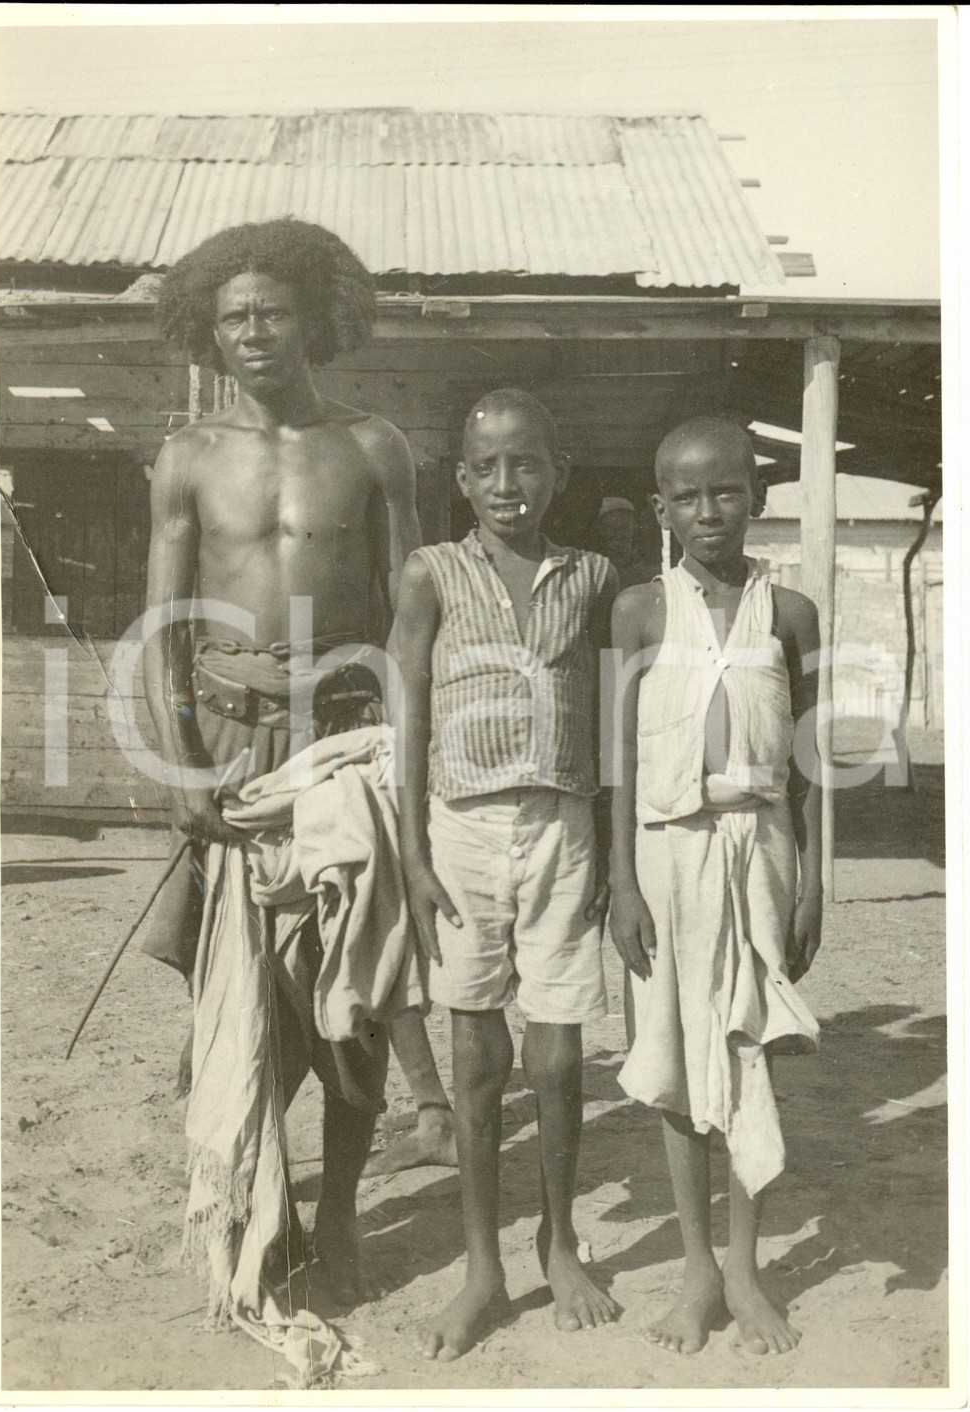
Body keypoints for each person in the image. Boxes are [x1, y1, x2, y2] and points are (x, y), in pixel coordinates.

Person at [142, 217, 448, 1312]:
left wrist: (407, 767)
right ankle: (260, 1207)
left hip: (345, 742)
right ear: (209, 332)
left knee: (352, 989)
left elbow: (413, 621)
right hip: (229, 746)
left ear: (314, 320)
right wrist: (183, 770)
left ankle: (343, 1213)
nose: (255, 332)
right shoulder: (187, 457)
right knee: (245, 994)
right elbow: (164, 625)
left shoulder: (373, 447)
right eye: (234, 318)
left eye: (273, 312)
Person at [394, 387, 620, 1361]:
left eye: (524, 462)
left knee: (558, 1055)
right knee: (478, 1053)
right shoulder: (431, 573)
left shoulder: (593, 575)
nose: (505, 483)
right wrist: (411, 849)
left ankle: (558, 1241)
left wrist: (610, 840)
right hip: (461, 829)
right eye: (484, 466)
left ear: (558, 472)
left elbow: (611, 713)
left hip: (564, 822)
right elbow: (406, 708)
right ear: (460, 479)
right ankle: (482, 1268)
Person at [608, 417, 823, 1357]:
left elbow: (811, 764)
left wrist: (815, 883)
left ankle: (744, 1265)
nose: (709, 511)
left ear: (758, 498)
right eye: (687, 497)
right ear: (661, 509)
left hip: (762, 849)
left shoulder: (792, 613)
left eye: (727, 491)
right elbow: (619, 763)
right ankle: (697, 1267)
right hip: (667, 856)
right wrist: (621, 881)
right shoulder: (639, 611)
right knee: (673, 1052)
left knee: (746, 1046)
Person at [598, 495, 659, 588]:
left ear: (634, 527)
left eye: (624, 527)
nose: (618, 534)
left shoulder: (648, 562)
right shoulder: (598, 566)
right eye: (611, 527)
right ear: (601, 530)